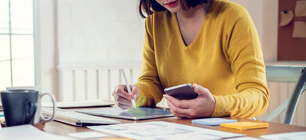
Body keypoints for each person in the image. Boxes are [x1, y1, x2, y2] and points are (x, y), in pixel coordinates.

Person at [113, 0, 269, 119]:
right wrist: (135, 94)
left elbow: (258, 95)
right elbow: (152, 82)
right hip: (184, 131)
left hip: (230, 131)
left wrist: (215, 106)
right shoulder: (155, 22)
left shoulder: (233, 16)